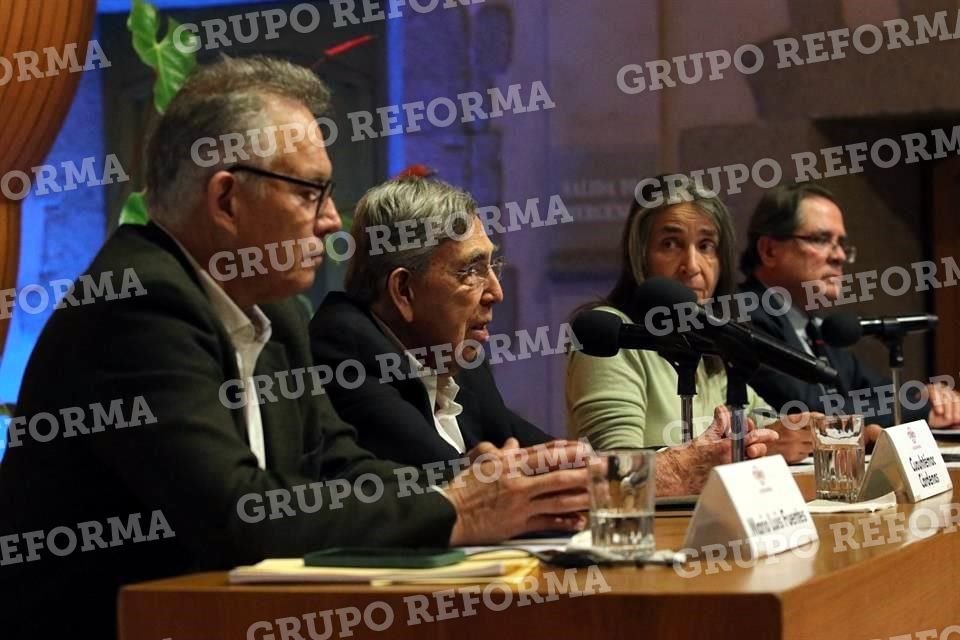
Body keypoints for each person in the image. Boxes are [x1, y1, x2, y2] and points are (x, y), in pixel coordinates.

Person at [0, 57, 590, 640]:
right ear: (226, 199)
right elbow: (238, 516)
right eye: (311, 193)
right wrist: (458, 509)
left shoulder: (276, 312)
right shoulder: (138, 304)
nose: (333, 221)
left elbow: (339, 465)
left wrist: (472, 485)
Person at [310, 178, 553, 469]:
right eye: (472, 270)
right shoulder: (345, 348)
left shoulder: (458, 359)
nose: (496, 293)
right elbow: (449, 485)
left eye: (492, 266)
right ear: (403, 291)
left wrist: (597, 467)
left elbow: (541, 454)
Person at [567, 177, 811, 461]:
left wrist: (827, 433)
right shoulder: (611, 335)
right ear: (640, 255)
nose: (692, 266)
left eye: (706, 246)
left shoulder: (709, 343)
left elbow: (771, 426)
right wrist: (739, 452)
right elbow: (615, 467)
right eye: (670, 244)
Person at [738, 182, 960, 430]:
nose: (840, 256)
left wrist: (926, 395)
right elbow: (810, 411)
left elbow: (878, 391)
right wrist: (923, 408)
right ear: (769, 250)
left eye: (841, 244)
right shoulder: (744, 316)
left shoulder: (819, 328)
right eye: (821, 239)